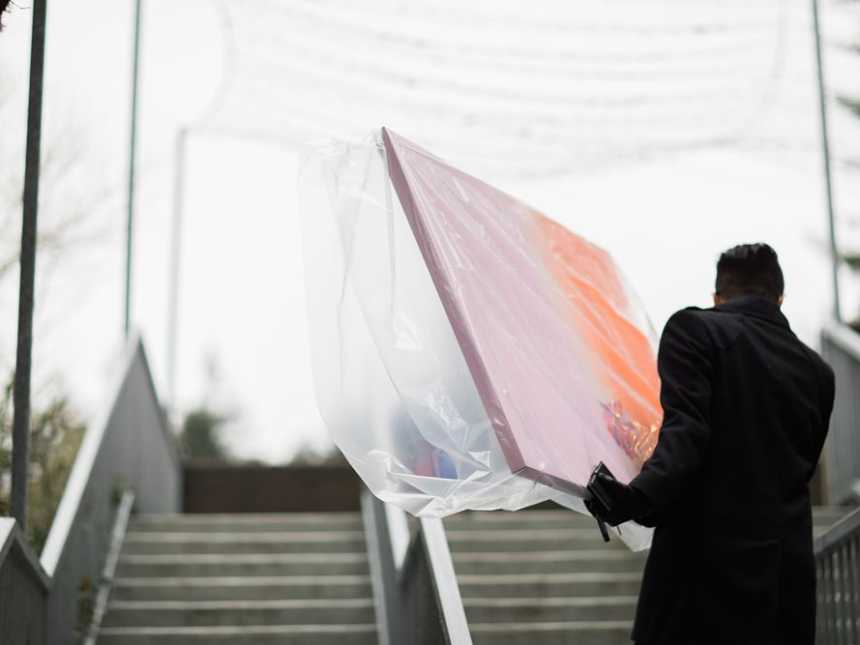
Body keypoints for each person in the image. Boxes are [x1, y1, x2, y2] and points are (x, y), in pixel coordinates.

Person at [585, 243, 835, 645]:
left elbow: (688, 435)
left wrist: (636, 498)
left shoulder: (695, 330)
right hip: (783, 593)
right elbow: (795, 468)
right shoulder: (819, 373)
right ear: (780, 298)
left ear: (718, 296)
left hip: (702, 587)